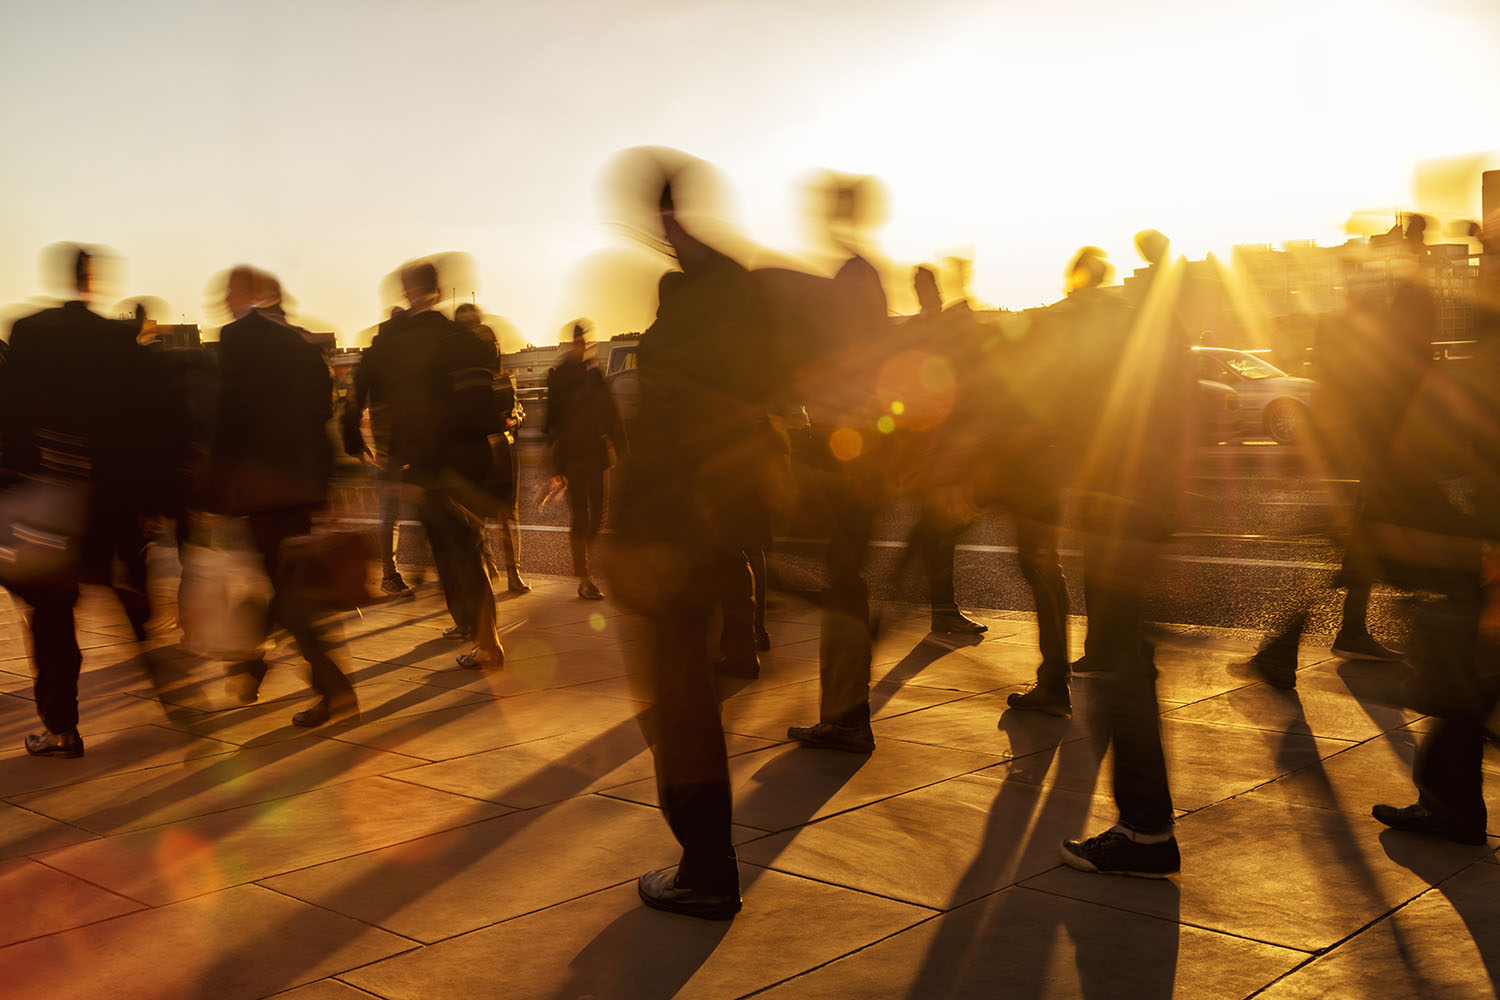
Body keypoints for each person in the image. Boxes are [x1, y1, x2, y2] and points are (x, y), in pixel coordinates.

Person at [611, 180, 775, 920]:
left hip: (673, 528)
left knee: (677, 706)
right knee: (686, 700)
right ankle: (706, 861)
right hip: (711, 521)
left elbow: (666, 434)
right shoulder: (732, 296)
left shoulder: (691, 307)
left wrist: (630, 529)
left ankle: (706, 867)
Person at [1045, 245, 1192, 878]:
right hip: (1141, 509)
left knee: (1123, 671)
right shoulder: (1159, 332)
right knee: (1124, 664)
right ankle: (1146, 825)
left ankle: (1146, 831)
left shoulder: (1112, 333)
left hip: (1123, 513)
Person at [1, 245, 177, 756]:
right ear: (95, 281)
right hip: (112, 499)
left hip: (50, 497)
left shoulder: (31, 332)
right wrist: (157, 498)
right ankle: (165, 682)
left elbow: (11, 415)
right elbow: (154, 425)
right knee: (125, 596)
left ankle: (62, 727)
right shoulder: (121, 344)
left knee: (52, 618)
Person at [213, 266, 356, 727]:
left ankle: (332, 689)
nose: (223, 299)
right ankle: (253, 666)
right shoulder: (303, 345)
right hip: (303, 484)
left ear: (250, 294)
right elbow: (322, 414)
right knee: (287, 583)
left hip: (264, 486)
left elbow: (231, 416)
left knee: (290, 591)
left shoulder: (238, 337)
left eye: (230, 290)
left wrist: (215, 489)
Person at [346, 260, 504, 669]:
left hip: (423, 462)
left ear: (406, 290)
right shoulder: (457, 334)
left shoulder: (393, 340)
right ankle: (481, 632)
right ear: (437, 290)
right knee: (465, 547)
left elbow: (358, 387)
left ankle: (485, 639)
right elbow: (490, 373)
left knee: (452, 548)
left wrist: (354, 438)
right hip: (465, 458)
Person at [545, 322, 626, 600]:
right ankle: (584, 576)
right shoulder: (567, 376)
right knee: (583, 516)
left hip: (586, 454)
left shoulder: (588, 374)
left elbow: (609, 415)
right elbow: (552, 421)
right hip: (578, 455)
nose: (583, 346)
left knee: (595, 518)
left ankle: (583, 566)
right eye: (581, 342)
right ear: (576, 344)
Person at [342, 307, 415, 600]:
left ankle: (390, 573)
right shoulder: (404, 356)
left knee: (390, 515)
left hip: (386, 449)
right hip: (402, 448)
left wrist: (359, 448)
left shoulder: (377, 355)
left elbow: (352, 403)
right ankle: (389, 573)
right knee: (405, 513)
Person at [456, 303, 529, 594]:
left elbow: (514, 410)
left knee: (506, 516)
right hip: (478, 448)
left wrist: (514, 418)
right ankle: (489, 568)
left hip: (501, 448)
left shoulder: (497, 376)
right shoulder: (462, 379)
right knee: (477, 519)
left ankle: (512, 572)